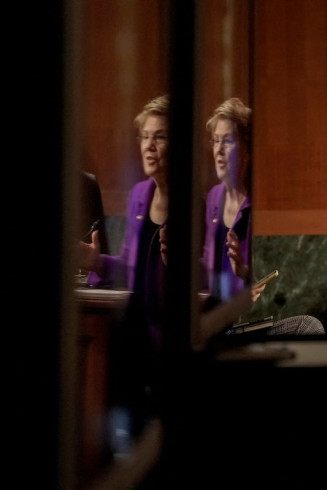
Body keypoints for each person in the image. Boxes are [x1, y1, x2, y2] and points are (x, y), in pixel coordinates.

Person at [78, 94, 171, 451]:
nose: (149, 145)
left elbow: (206, 281)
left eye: (160, 136)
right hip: (133, 341)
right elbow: (130, 271)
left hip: (168, 343)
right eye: (144, 136)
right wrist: (97, 262)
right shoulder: (139, 195)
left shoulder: (197, 200)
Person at [200, 97, 324, 336]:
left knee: (310, 327)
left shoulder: (260, 203)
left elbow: (279, 280)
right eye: (215, 141)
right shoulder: (214, 199)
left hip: (249, 318)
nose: (219, 150)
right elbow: (206, 271)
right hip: (217, 321)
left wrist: (245, 273)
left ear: (247, 149)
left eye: (228, 141)